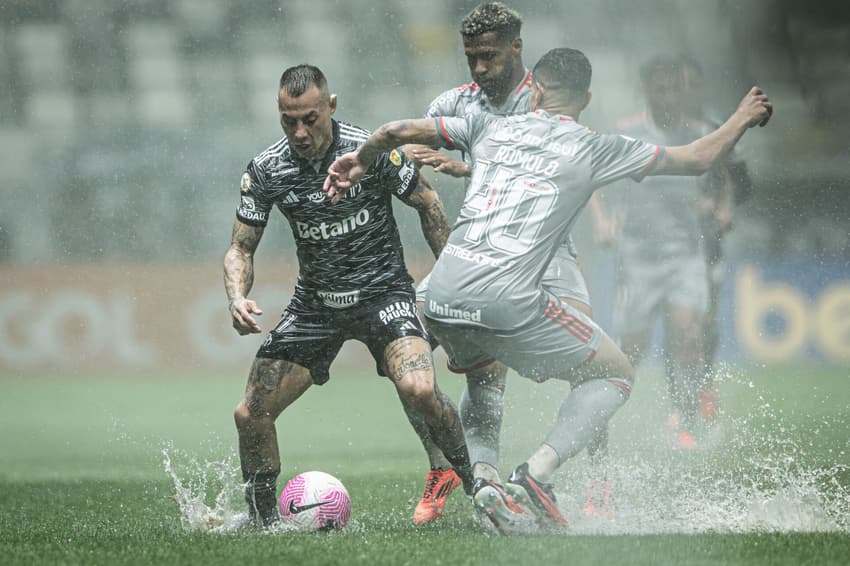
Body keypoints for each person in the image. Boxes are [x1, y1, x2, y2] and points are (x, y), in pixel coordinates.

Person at [324, 48, 771, 534]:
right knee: (614, 373)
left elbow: (392, 132)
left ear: (533, 87)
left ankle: (485, 480)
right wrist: (742, 118)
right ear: (586, 99)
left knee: (481, 376)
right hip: (506, 298)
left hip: (439, 294)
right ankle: (537, 474)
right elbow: (699, 158)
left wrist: (358, 162)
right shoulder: (597, 146)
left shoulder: (487, 125)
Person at [224, 64, 472, 528]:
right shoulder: (267, 168)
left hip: (384, 297)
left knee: (419, 388)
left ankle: (480, 485)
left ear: (331, 106)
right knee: (249, 414)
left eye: (310, 118)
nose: (299, 131)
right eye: (288, 120)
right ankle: (261, 525)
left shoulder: (370, 151)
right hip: (315, 306)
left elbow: (428, 202)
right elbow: (241, 246)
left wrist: (454, 277)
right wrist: (237, 296)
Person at [400, 2, 595, 526]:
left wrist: (466, 167)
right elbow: (410, 157)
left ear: (516, 48)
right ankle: (460, 471)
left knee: (595, 367)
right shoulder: (454, 103)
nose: (480, 69)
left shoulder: (546, 100)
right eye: (471, 59)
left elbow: (554, 171)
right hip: (481, 255)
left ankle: (594, 477)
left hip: (549, 255)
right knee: (403, 343)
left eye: (489, 57)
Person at [590, 56, 749, 448]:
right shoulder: (628, 131)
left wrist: (724, 206)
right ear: (646, 90)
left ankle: (687, 420)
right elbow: (595, 176)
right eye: (660, 88)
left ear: (682, 89)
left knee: (689, 334)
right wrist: (602, 219)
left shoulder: (701, 131)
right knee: (632, 348)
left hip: (686, 254)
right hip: (638, 256)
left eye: (674, 88)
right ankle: (599, 417)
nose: (668, 95)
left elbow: (725, 173)